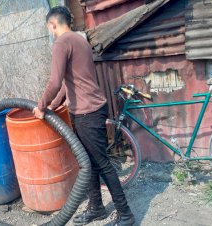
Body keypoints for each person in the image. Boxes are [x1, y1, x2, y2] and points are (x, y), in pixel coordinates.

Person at [33, 6, 135, 226]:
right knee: (87, 163)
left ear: (53, 24)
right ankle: (97, 208)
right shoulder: (80, 41)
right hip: (88, 110)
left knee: (101, 163)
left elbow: (55, 81)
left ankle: (125, 214)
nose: (50, 32)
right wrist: (52, 104)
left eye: (49, 28)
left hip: (88, 112)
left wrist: (41, 106)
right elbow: (68, 83)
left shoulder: (61, 43)